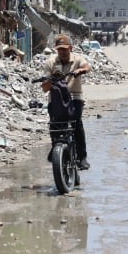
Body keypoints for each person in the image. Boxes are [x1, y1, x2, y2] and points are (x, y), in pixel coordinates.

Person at [44, 34, 91, 170]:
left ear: (70, 48)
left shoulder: (77, 59)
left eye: (65, 49)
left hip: (74, 97)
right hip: (56, 99)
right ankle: (55, 149)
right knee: (54, 125)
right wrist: (50, 80)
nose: (62, 52)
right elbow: (45, 88)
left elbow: (87, 66)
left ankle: (82, 157)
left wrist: (81, 70)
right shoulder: (51, 62)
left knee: (77, 123)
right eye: (59, 49)